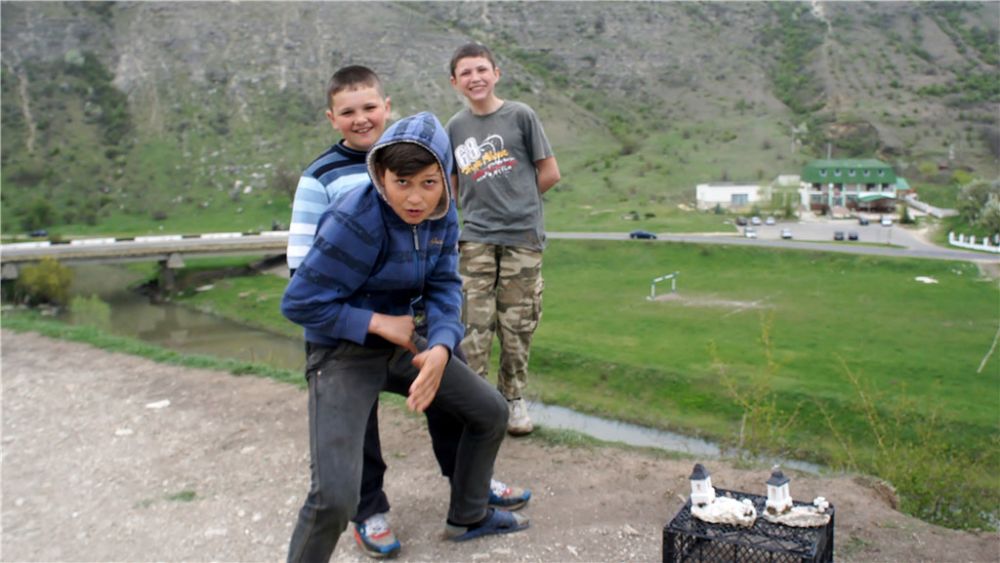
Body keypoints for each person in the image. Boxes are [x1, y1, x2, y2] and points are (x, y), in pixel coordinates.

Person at [286, 67, 529, 559]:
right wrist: (375, 323)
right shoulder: (354, 219)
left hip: (405, 344)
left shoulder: (443, 213)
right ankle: (359, 517)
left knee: (490, 412)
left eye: (429, 183)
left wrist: (440, 345)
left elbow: (444, 285)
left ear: (445, 180)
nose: (415, 198)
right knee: (334, 497)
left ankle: (468, 514)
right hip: (341, 352)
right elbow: (299, 301)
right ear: (380, 176)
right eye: (401, 183)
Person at [446, 43, 561, 436]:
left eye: (481, 69)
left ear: (496, 73)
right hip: (476, 239)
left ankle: (513, 399)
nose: (475, 78)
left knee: (517, 324)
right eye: (466, 72)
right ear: (455, 82)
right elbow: (453, 184)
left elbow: (549, 172)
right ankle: (476, 403)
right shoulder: (455, 127)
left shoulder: (520, 115)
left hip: (522, 237)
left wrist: (518, 203)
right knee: (473, 324)